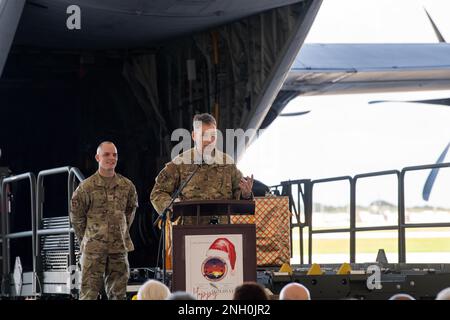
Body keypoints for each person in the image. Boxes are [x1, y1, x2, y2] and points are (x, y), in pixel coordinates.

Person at [150, 113, 254, 225]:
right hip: (189, 232)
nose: (209, 140)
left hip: (222, 233)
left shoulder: (227, 163)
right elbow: (157, 192)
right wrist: (170, 205)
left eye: (213, 136)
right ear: (194, 136)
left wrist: (246, 194)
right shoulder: (180, 162)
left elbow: (240, 197)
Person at [70, 141, 138, 300]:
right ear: (97, 157)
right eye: (106, 154)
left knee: (118, 295)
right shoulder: (86, 187)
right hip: (93, 250)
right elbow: (77, 217)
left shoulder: (127, 186)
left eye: (114, 154)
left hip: (118, 249)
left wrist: (121, 232)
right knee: (89, 295)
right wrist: (88, 238)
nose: (111, 158)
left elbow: (130, 212)